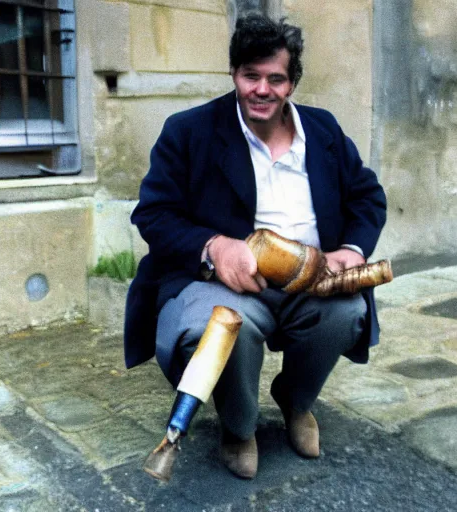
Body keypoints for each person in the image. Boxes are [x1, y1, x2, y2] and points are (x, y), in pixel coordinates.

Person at [124, 13, 387, 479]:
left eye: (275, 78)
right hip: (225, 282)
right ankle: (239, 427)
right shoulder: (189, 131)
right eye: (250, 76)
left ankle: (296, 402)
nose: (261, 89)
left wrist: (352, 248)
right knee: (224, 326)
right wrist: (214, 246)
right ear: (234, 74)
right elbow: (154, 214)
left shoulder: (322, 131)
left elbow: (366, 195)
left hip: (310, 276)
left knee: (348, 313)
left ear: (292, 83)